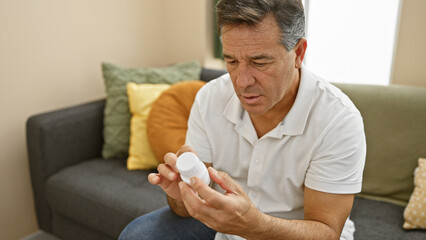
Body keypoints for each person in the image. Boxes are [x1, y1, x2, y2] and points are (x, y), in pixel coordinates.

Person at [119, 0, 366, 239]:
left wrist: (254, 225)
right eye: (232, 61)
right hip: (222, 223)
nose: (241, 81)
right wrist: (181, 194)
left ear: (298, 53)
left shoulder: (338, 121)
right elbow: (185, 206)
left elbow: (326, 232)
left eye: (259, 62)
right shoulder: (209, 98)